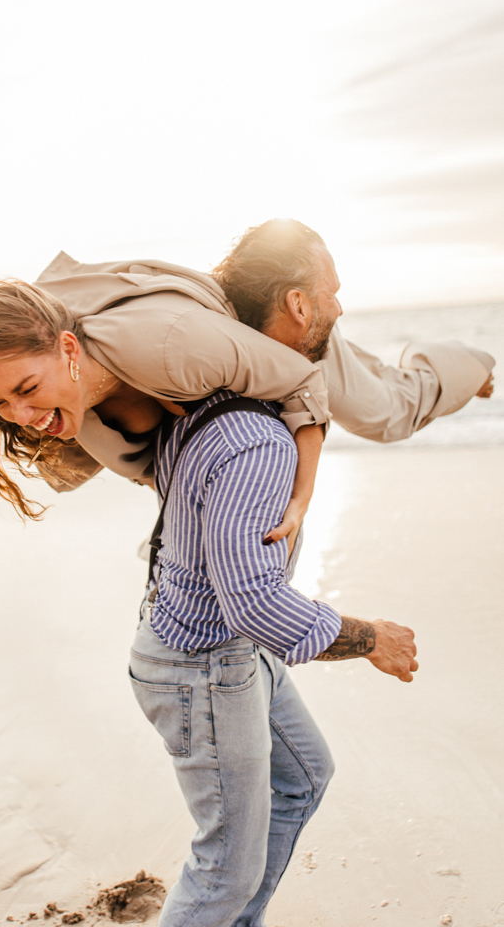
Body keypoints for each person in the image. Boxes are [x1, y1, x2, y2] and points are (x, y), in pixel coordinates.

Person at [0, 219, 493, 536]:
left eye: (24, 393)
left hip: (248, 341)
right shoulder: (48, 387)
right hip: (194, 333)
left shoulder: (169, 347)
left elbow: (302, 383)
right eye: (6, 401)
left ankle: (470, 363)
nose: (17, 411)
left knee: (385, 411)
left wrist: (300, 497)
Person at [130, 385, 418, 927]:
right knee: (225, 870)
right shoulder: (255, 440)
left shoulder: (202, 410)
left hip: (219, 649)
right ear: (296, 304)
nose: (336, 302)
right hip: (204, 662)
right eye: (328, 293)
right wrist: (373, 638)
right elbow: (256, 604)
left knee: (304, 776)